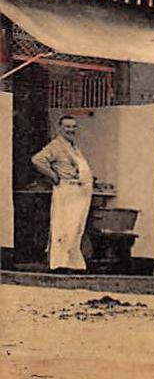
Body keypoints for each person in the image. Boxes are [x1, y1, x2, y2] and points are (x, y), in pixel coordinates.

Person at [30, 115, 95, 272]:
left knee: (75, 228)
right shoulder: (56, 145)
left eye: (73, 126)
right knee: (64, 227)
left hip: (79, 192)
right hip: (66, 191)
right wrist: (53, 175)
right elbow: (37, 160)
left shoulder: (73, 147)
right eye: (67, 126)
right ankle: (60, 264)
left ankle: (73, 263)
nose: (71, 129)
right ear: (60, 128)